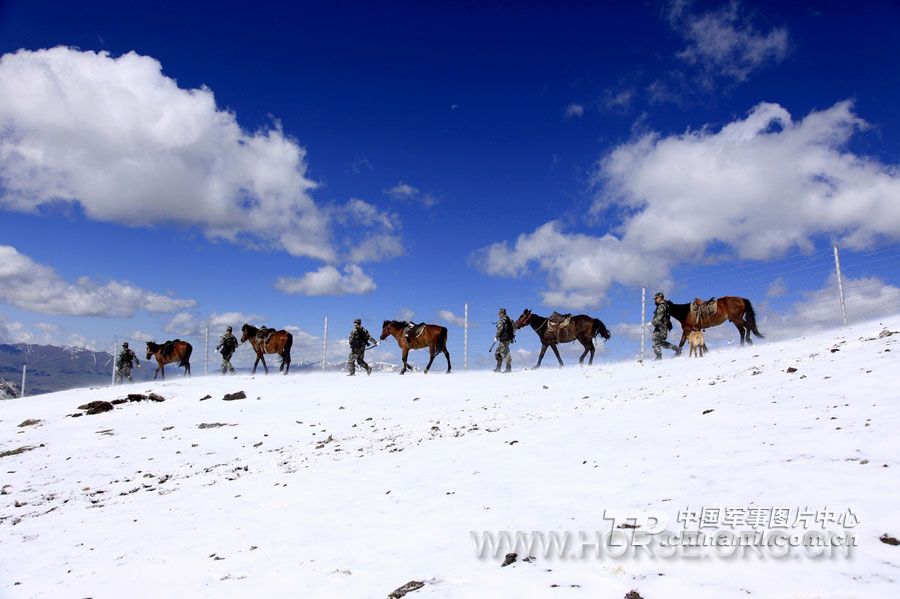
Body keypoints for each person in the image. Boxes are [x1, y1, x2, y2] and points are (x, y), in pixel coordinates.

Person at [651, 292, 681, 360]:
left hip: (660, 326)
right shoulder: (664, 305)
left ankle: (659, 356)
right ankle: (677, 349)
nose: (655, 300)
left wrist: (652, 323)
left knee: (655, 341)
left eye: (656, 298)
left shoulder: (662, 306)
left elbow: (659, 317)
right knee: (661, 342)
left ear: (660, 297)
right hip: (662, 326)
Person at [494, 308, 515, 373]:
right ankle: (498, 367)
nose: (499, 315)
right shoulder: (510, 320)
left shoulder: (501, 321)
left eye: (499, 313)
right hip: (509, 338)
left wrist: (496, 336)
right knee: (498, 352)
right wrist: (511, 335)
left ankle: (508, 368)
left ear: (501, 313)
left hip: (503, 339)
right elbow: (515, 327)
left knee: (505, 352)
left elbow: (499, 330)